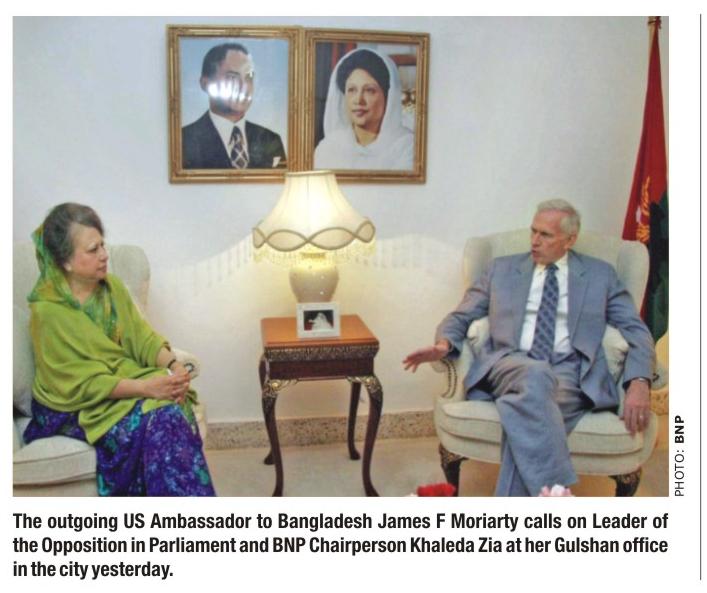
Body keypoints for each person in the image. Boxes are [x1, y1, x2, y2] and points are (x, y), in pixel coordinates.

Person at [403, 199, 655, 497]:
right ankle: (556, 494)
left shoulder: (600, 275)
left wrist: (639, 381)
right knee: (535, 375)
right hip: (509, 363)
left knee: (531, 416)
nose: (534, 241)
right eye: (533, 231)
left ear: (570, 239)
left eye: (545, 235)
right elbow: (461, 315)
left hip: (570, 373)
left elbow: (636, 329)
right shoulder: (501, 269)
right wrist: (444, 344)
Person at [23, 203, 215, 496]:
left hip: (120, 388)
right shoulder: (48, 312)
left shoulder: (112, 287)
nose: (104, 255)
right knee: (161, 419)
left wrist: (174, 367)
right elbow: (80, 384)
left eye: (103, 244)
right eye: (93, 249)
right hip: (72, 406)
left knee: (172, 410)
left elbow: (143, 338)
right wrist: (147, 388)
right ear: (66, 261)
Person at [182, 42, 286, 170]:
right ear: (206, 84)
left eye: (249, 77)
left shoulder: (270, 139)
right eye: (232, 77)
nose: (243, 87)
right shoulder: (185, 140)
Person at [314, 47, 414, 171]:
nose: (358, 100)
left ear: (388, 96)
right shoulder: (328, 148)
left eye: (369, 90)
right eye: (352, 90)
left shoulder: (407, 146)